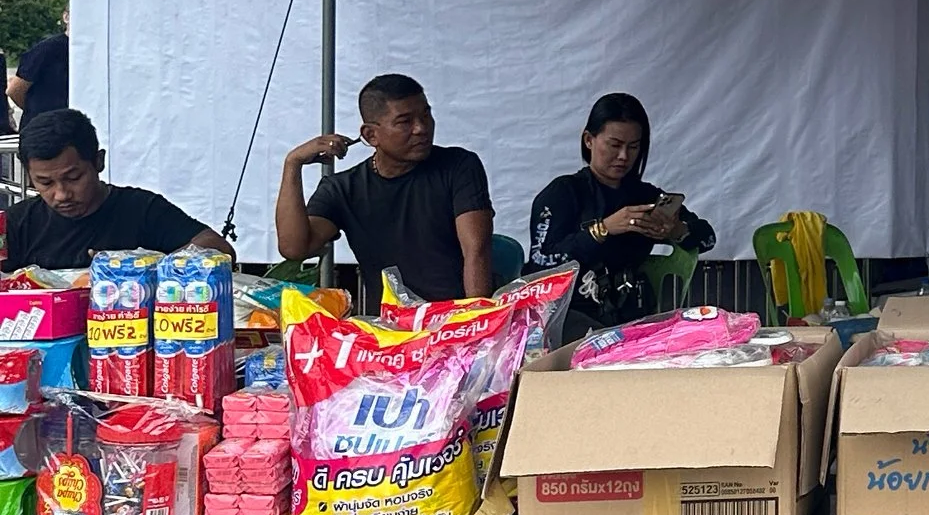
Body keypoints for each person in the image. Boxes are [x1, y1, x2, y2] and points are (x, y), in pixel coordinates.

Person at [276, 76, 494, 310]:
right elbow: (294, 248)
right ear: (371, 136)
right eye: (404, 122)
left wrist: (475, 320)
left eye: (425, 115)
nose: (421, 128)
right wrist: (292, 164)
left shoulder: (459, 166)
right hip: (387, 326)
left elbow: (476, 250)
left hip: (453, 317)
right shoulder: (343, 188)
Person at [528, 94, 716, 334]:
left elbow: (708, 238)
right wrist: (602, 229)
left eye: (633, 147)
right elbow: (540, 263)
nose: (624, 156)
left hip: (630, 313)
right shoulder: (563, 193)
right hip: (567, 317)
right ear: (589, 140)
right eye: (614, 145)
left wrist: (676, 230)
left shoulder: (644, 196)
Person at [3, 110, 224, 268]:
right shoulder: (18, 222)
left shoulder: (142, 210)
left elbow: (219, 248)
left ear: (99, 162)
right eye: (45, 183)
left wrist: (143, 267)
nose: (61, 194)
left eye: (73, 177)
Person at [9, 25, 68, 129]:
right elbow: (14, 90)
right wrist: (35, 112)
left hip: (73, 127)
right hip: (41, 129)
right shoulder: (47, 48)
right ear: (66, 17)